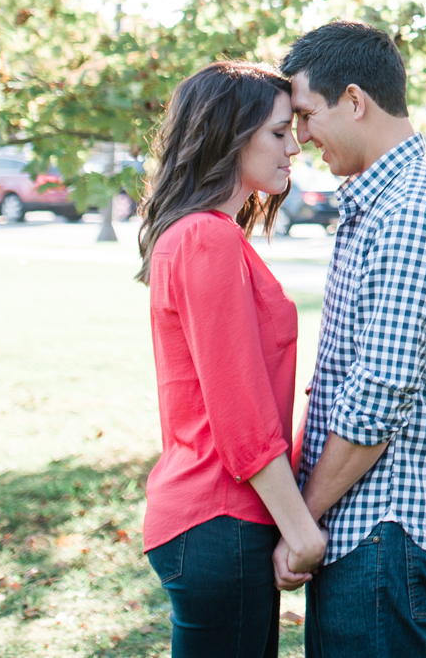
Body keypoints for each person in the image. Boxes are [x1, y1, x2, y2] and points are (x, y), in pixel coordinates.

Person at [283, 20, 426, 658]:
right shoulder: (380, 202)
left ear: (353, 100)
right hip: (367, 520)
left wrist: (303, 518)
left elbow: (379, 394)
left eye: (306, 115)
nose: (299, 137)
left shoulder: (411, 213)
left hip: (383, 521)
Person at [137, 62, 330, 657]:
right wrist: (301, 530)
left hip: (216, 520)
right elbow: (239, 409)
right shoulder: (204, 238)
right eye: (278, 132)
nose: (294, 146)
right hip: (218, 517)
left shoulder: (205, 234)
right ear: (229, 134)